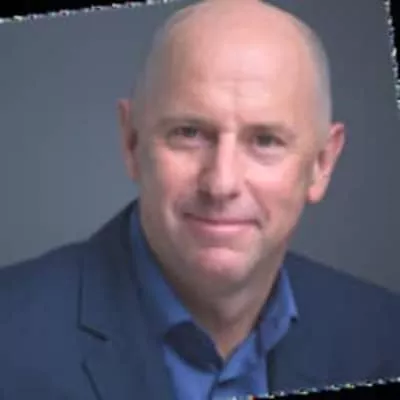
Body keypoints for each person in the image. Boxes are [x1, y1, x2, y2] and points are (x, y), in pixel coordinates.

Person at [1, 0, 400, 399]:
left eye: (265, 140)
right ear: (131, 141)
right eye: (189, 133)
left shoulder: (384, 334)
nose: (221, 183)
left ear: (322, 164)